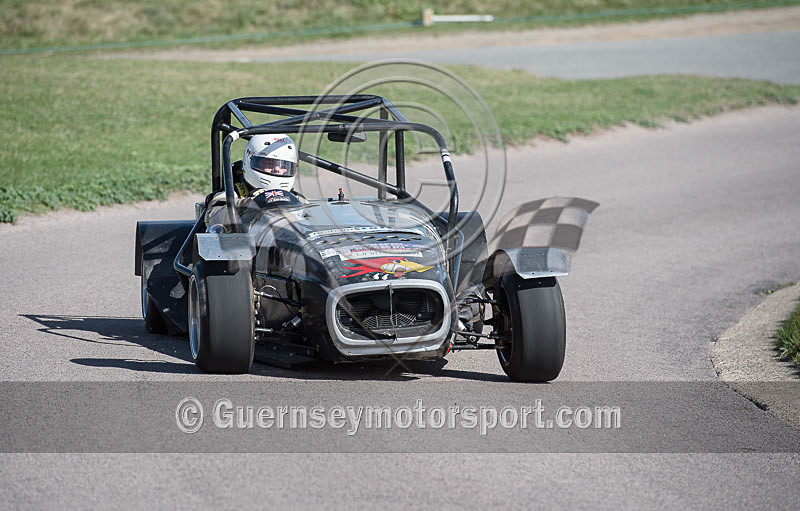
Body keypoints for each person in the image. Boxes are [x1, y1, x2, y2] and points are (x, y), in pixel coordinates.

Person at [205, 133, 305, 228]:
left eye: (283, 166)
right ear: (251, 161)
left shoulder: (297, 199)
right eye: (269, 164)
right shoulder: (232, 195)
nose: (277, 169)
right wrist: (250, 204)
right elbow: (214, 218)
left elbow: (312, 220)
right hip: (246, 243)